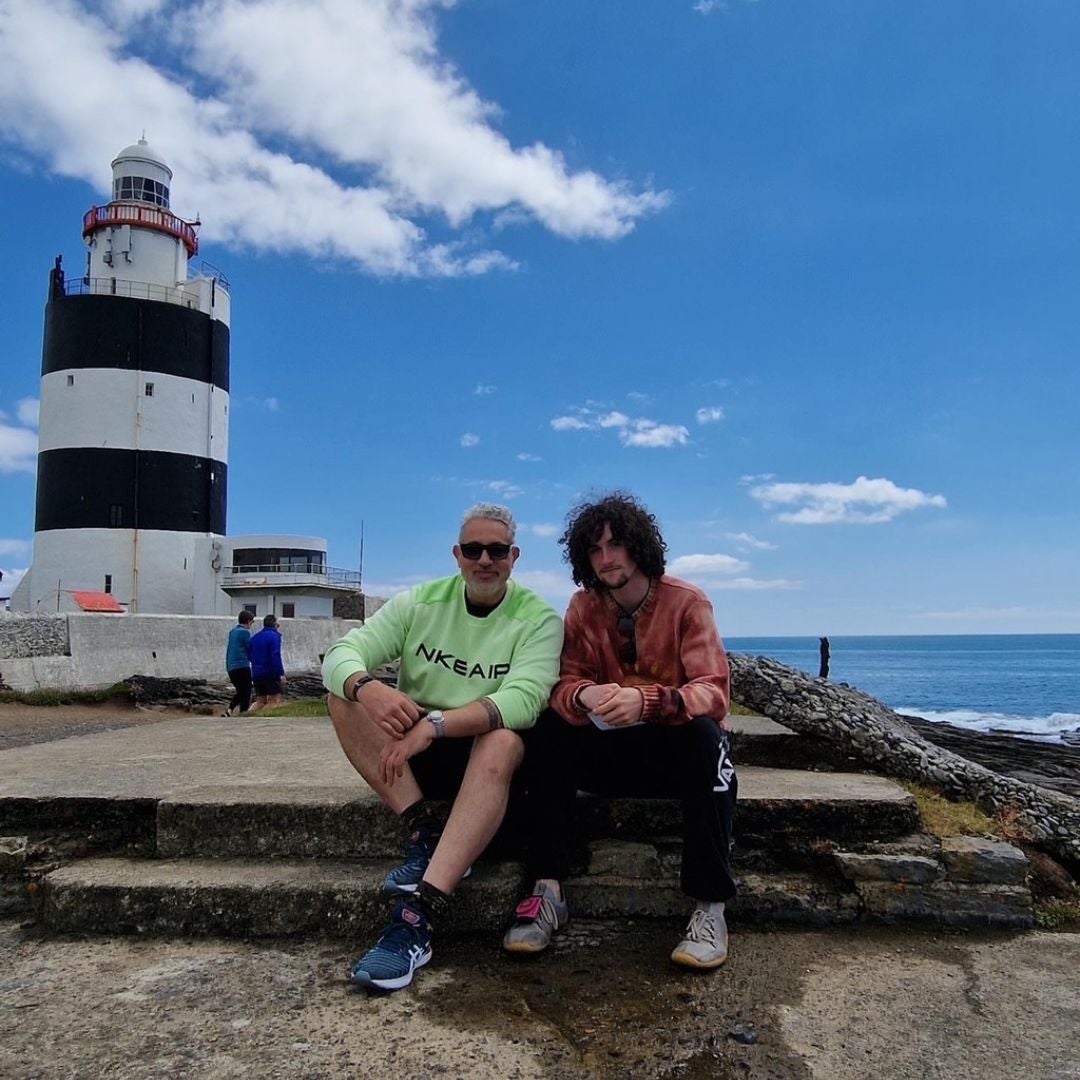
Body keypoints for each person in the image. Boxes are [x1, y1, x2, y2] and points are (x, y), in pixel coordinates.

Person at [321, 503, 563, 991]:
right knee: (342, 698)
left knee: (501, 737)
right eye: (473, 549)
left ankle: (418, 917)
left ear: (514, 556)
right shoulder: (421, 603)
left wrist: (434, 724)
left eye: (497, 550)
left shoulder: (539, 618)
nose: (484, 560)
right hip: (415, 760)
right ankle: (424, 832)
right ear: (457, 554)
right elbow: (342, 654)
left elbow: (525, 699)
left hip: (485, 760)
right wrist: (369, 686)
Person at [506, 492, 737, 970]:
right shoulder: (583, 607)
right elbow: (563, 682)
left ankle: (710, 907)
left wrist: (647, 700)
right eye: (594, 549)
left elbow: (713, 693)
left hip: (675, 757)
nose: (606, 558)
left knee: (707, 740)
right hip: (608, 753)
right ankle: (547, 890)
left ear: (640, 546)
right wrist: (583, 695)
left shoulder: (688, 603)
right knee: (546, 731)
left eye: (616, 545)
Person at [249, 613, 286, 711]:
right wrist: (280, 674)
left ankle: (247, 717)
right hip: (269, 673)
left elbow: (249, 655)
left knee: (260, 701)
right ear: (274, 625)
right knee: (274, 699)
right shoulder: (274, 637)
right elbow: (275, 656)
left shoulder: (254, 638)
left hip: (256, 673)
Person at [222, 610, 254, 716]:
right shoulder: (245, 632)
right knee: (246, 691)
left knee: (241, 690)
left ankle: (230, 709)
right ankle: (243, 713)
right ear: (249, 621)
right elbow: (250, 649)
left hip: (231, 667)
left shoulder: (233, 631)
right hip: (242, 665)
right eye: (252, 622)